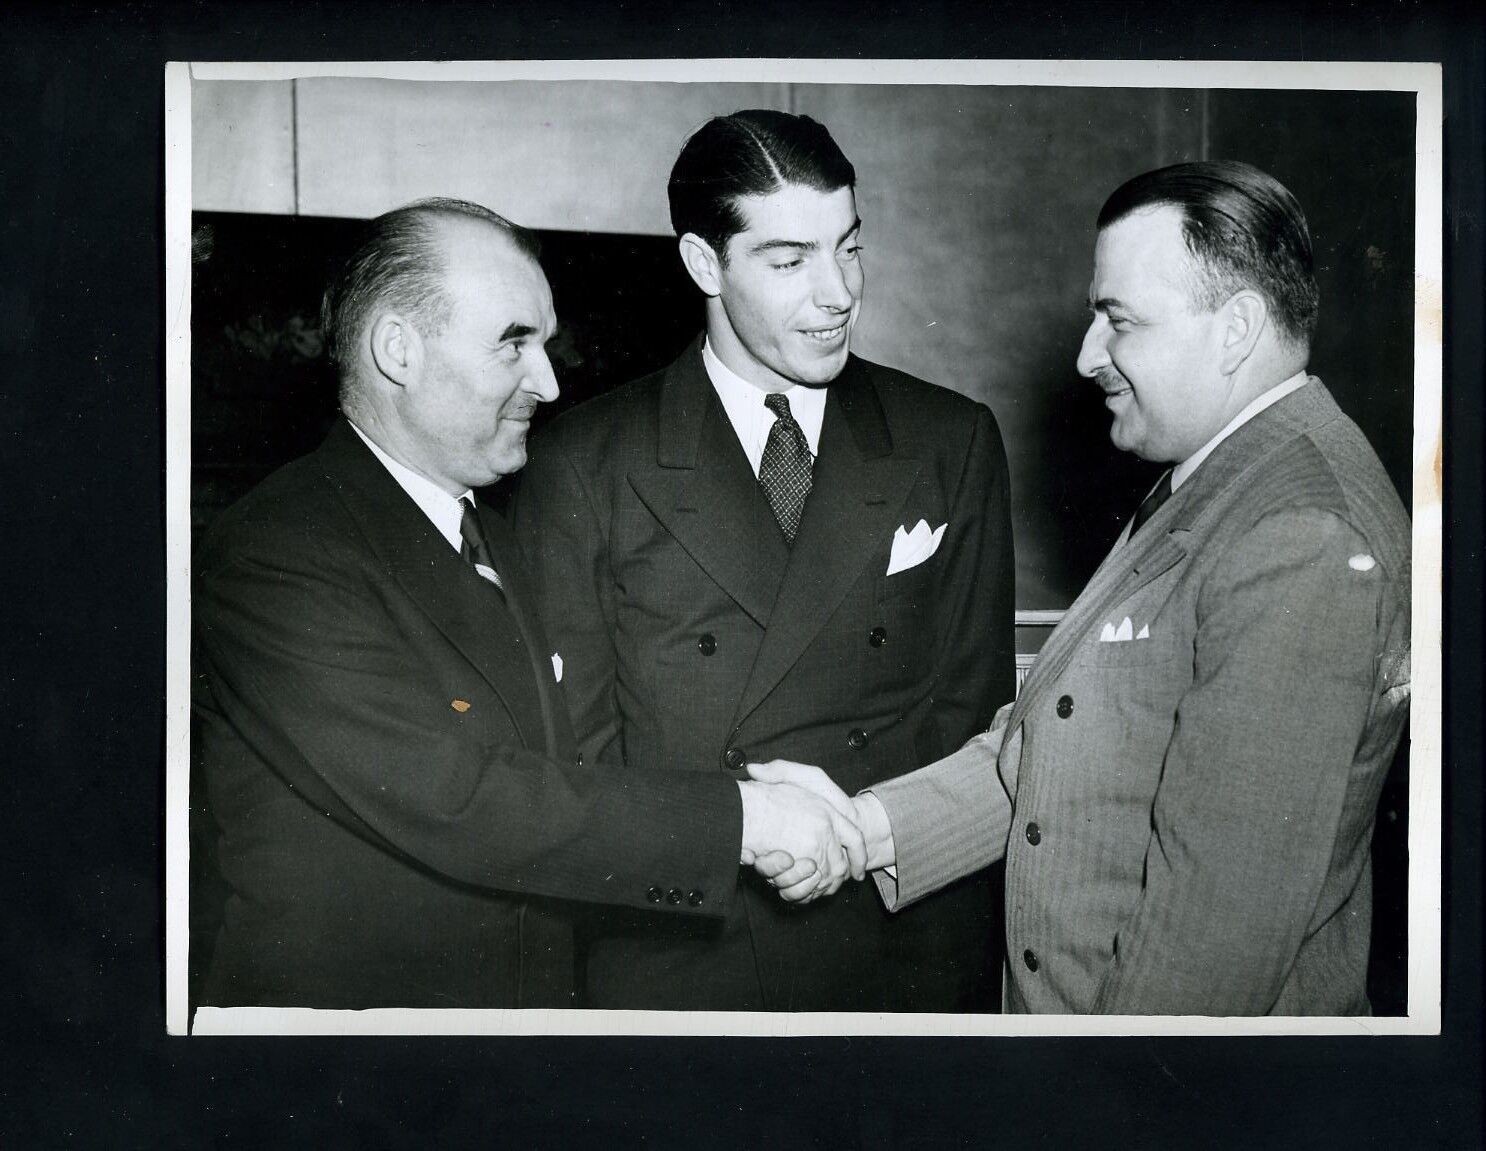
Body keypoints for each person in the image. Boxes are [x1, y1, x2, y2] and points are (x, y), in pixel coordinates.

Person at [754, 160, 1412, 1016]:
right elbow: (1062, 750)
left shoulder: (1297, 536)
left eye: (1119, 321)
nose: (1087, 355)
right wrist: (860, 828)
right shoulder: (1221, 476)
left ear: (1236, 329)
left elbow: (1206, 954)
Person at [192, 198, 866, 1011]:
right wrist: (745, 820)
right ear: (396, 350)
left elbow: (571, 770)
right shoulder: (278, 549)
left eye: (545, 344)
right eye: (515, 342)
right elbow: (464, 797)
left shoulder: (494, 532)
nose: (548, 382)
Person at [513, 112, 1016, 1011]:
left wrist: (854, 839)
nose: (838, 294)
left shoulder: (952, 440)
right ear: (705, 265)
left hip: (897, 946)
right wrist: (740, 839)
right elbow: (584, 753)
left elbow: (968, 712)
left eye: (849, 248)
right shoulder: (584, 461)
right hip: (688, 950)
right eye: (790, 262)